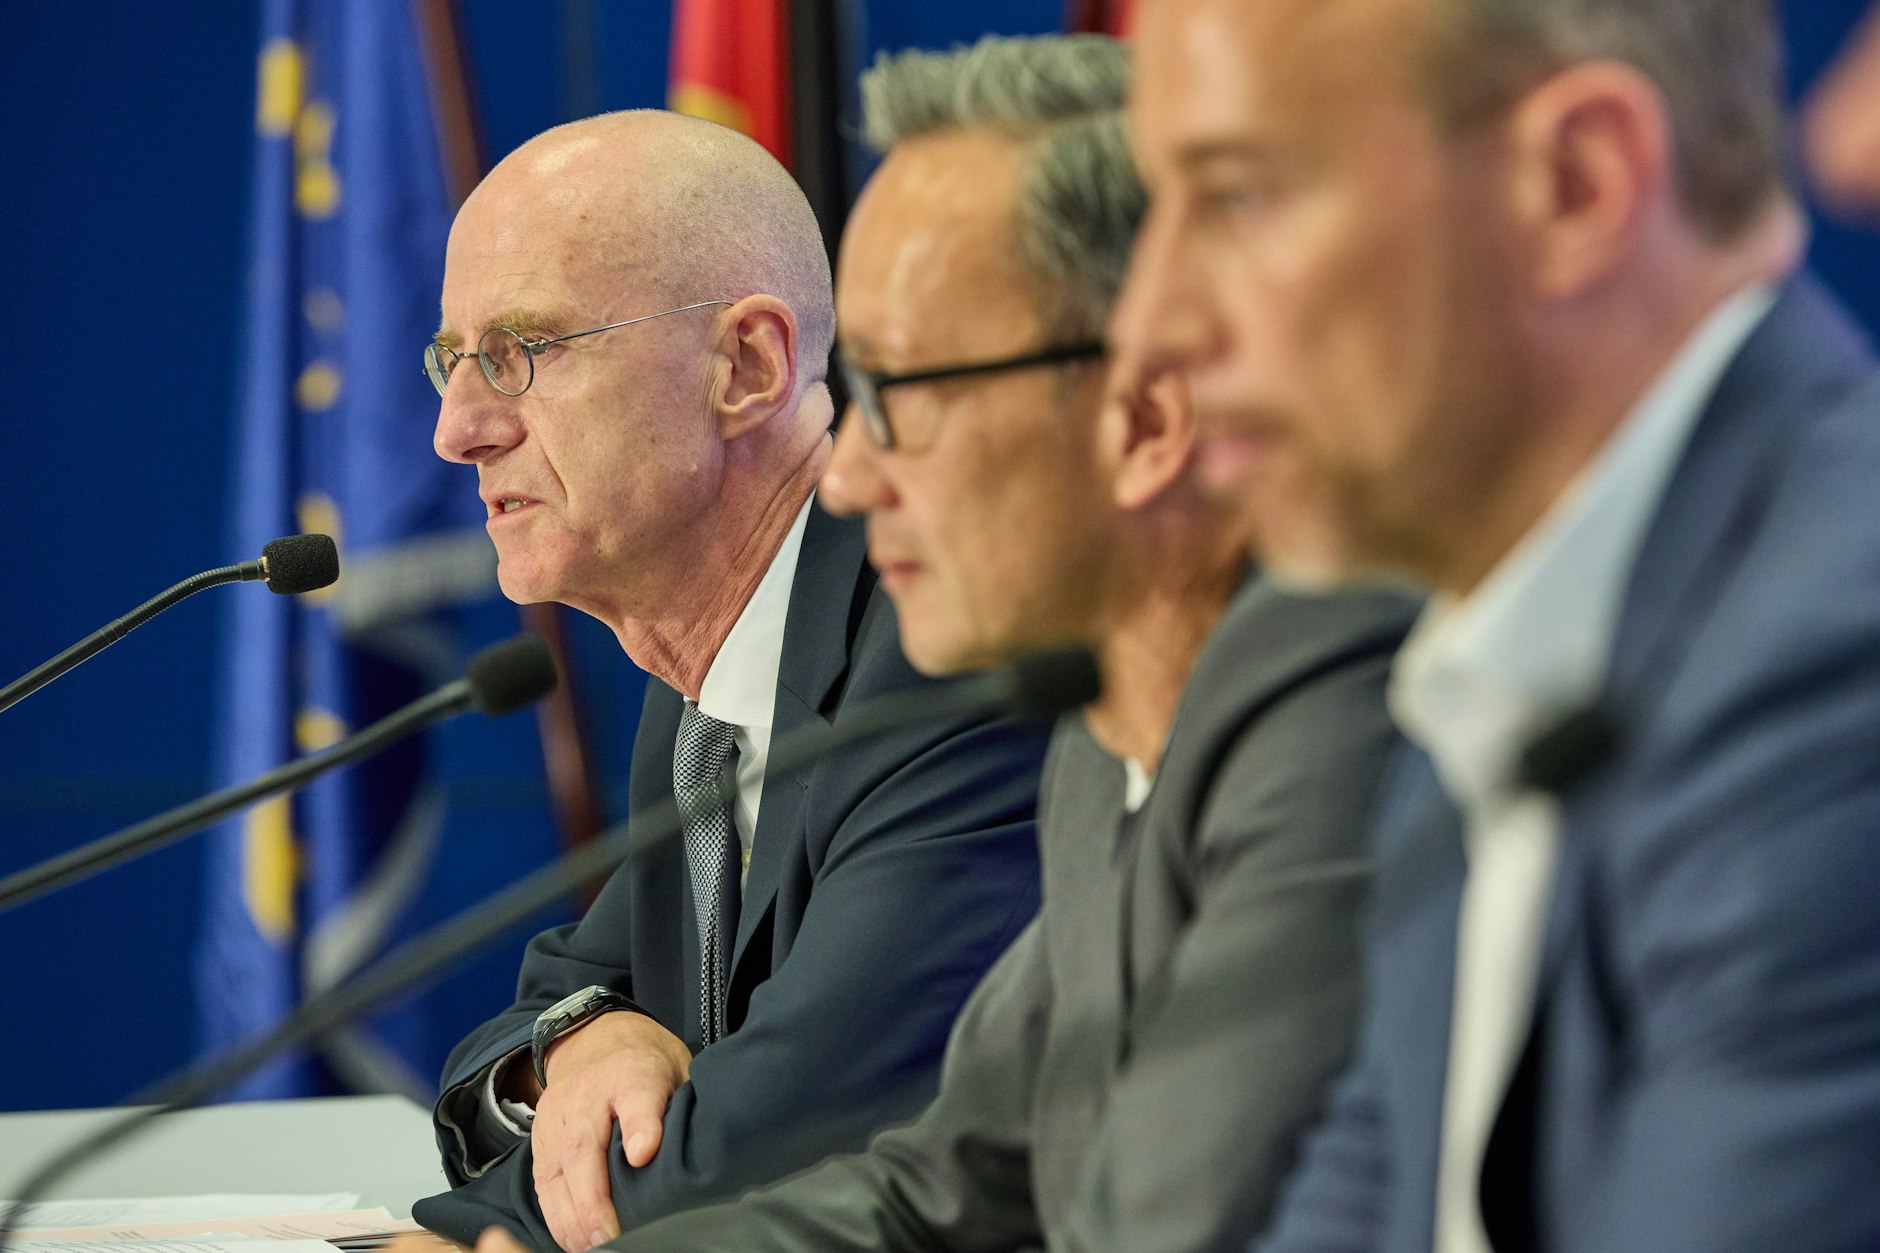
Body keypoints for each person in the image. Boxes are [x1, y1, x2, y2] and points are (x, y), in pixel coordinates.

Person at [594, 34, 1415, 1253]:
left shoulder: (1337, 737)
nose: (850, 475)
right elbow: (935, 1188)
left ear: (1145, 414)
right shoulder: (1104, 754)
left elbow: (1172, 1229)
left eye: (898, 395)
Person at [1117, 0, 1880, 1250]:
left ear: (1571, 185)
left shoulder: (1831, 668)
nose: (1149, 330)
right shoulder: (1494, 662)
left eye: (1237, 198)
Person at [410, 110, 1049, 1253]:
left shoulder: (935, 655)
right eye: (449, 360)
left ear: (746, 366)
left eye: (518, 352)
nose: (459, 429)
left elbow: (783, 1133)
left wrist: (466, 1240)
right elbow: (550, 993)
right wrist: (578, 1045)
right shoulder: (709, 670)